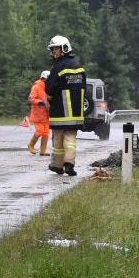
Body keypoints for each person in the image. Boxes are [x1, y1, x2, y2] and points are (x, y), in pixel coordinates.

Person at [45, 35, 87, 176]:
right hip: (75, 111)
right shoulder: (79, 66)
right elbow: (83, 88)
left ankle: (57, 165)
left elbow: (49, 88)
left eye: (55, 49)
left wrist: (49, 98)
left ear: (64, 48)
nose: (53, 52)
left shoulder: (58, 66)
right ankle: (69, 163)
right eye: (52, 49)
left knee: (58, 138)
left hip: (60, 110)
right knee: (70, 138)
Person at [27, 70, 51, 156]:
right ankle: (31, 145)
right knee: (39, 131)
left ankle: (43, 151)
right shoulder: (36, 87)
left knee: (46, 132)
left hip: (47, 114)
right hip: (38, 114)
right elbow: (30, 99)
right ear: (43, 78)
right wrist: (40, 102)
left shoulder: (48, 88)